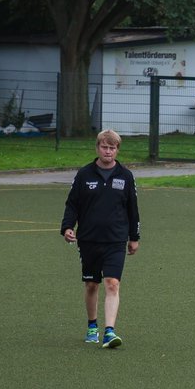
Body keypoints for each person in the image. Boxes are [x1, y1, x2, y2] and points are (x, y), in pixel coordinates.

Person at [61, 129, 140, 349]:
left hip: (115, 239)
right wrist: (67, 226)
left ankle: (109, 331)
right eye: (104, 147)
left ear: (117, 150)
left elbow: (132, 209)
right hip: (89, 239)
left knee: (112, 283)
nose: (108, 151)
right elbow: (72, 204)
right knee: (92, 284)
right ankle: (92, 326)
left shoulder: (125, 176)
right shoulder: (85, 174)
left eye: (112, 148)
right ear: (97, 148)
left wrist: (134, 237)